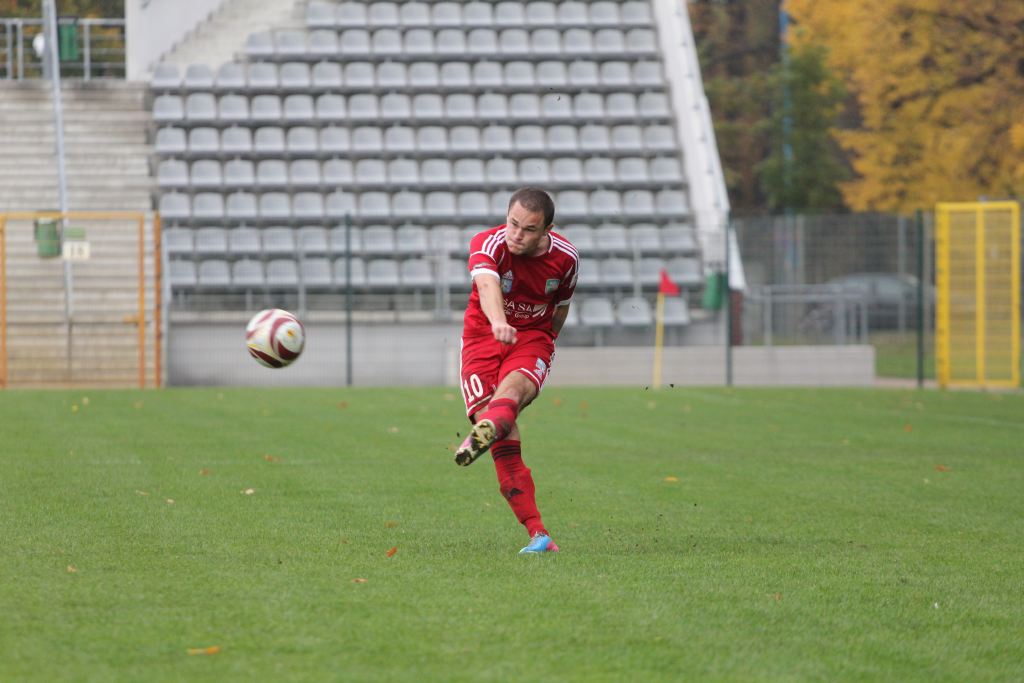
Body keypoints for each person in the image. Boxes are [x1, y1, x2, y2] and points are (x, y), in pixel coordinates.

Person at [454, 187, 579, 555]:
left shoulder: (566, 258)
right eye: (512, 223)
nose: (516, 235)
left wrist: (544, 345)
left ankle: (493, 422)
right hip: (481, 338)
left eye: (528, 229)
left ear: (547, 230)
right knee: (501, 440)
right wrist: (497, 321)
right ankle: (539, 534)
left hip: (532, 338)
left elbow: (561, 307)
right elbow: (488, 284)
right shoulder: (488, 243)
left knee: (508, 397)